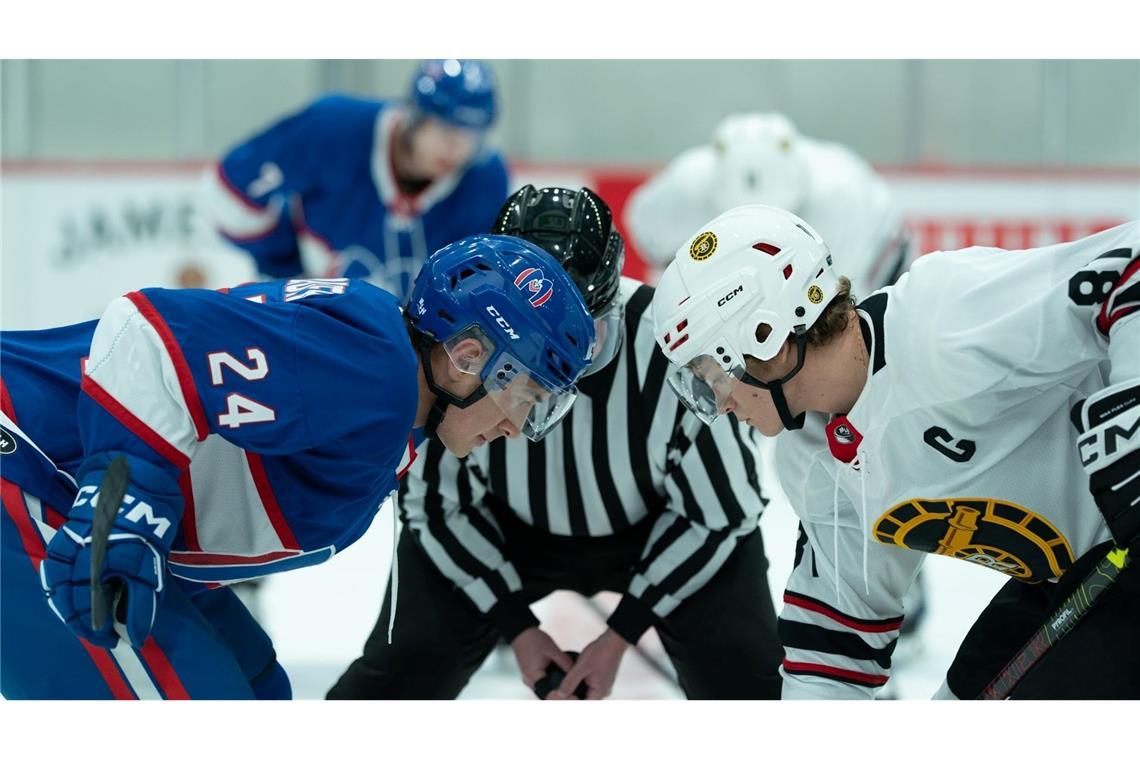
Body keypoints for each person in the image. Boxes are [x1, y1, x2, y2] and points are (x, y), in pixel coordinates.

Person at [0, 234, 595, 699]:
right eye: (525, 395)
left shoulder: (394, 402)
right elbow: (150, 336)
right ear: (467, 357)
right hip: (28, 461)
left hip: (50, 478)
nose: (517, 426)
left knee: (257, 690)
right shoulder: (375, 367)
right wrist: (121, 509)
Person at [650, 204, 1139, 698]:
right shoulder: (810, 459)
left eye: (712, 372)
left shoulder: (943, 318)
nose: (719, 400)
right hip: (1077, 579)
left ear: (766, 337)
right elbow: (835, 649)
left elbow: (1129, 267)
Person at [326, 185, 781, 701]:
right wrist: (517, 626)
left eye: (586, 335)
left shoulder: (670, 340)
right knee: (399, 675)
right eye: (534, 345)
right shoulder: (457, 350)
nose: (565, 368)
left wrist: (621, 633)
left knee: (752, 687)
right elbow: (437, 503)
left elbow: (720, 509)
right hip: (503, 528)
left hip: (659, 529)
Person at [202, 59, 509, 301]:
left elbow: (479, 286)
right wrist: (287, 267)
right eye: (446, 130)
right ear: (414, 116)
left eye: (472, 137)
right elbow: (233, 190)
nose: (458, 149)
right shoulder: (334, 128)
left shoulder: (485, 179)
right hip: (316, 324)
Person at [625, 112, 912, 296]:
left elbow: (844, 304)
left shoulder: (845, 198)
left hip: (882, 254)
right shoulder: (682, 190)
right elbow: (649, 239)